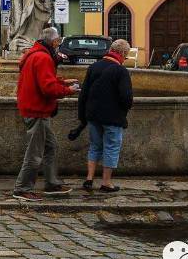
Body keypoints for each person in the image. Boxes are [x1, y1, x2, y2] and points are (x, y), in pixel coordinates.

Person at [13, 27, 80, 202]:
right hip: (37, 110)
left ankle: (51, 183)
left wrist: (62, 81)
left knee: (51, 146)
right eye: (58, 41)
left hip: (34, 108)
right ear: (52, 41)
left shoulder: (35, 54)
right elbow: (47, 88)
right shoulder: (43, 58)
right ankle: (22, 189)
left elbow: (42, 80)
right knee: (34, 153)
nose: (59, 45)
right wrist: (69, 90)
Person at [77, 39, 134, 193]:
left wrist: (82, 116)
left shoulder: (94, 67)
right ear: (122, 54)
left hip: (93, 115)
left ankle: (89, 179)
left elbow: (84, 93)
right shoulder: (120, 70)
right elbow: (126, 97)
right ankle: (106, 182)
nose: (125, 59)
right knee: (111, 147)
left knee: (95, 145)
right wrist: (124, 110)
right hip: (112, 117)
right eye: (126, 56)